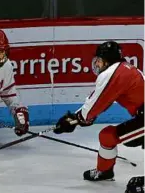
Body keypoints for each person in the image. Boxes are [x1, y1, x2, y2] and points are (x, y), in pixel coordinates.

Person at [53, 41, 144, 181]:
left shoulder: (112, 74)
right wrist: (76, 118)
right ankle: (104, 171)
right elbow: (99, 102)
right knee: (107, 136)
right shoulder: (124, 69)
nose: (97, 65)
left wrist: (74, 120)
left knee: (109, 136)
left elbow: (92, 108)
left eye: (99, 61)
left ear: (107, 61)